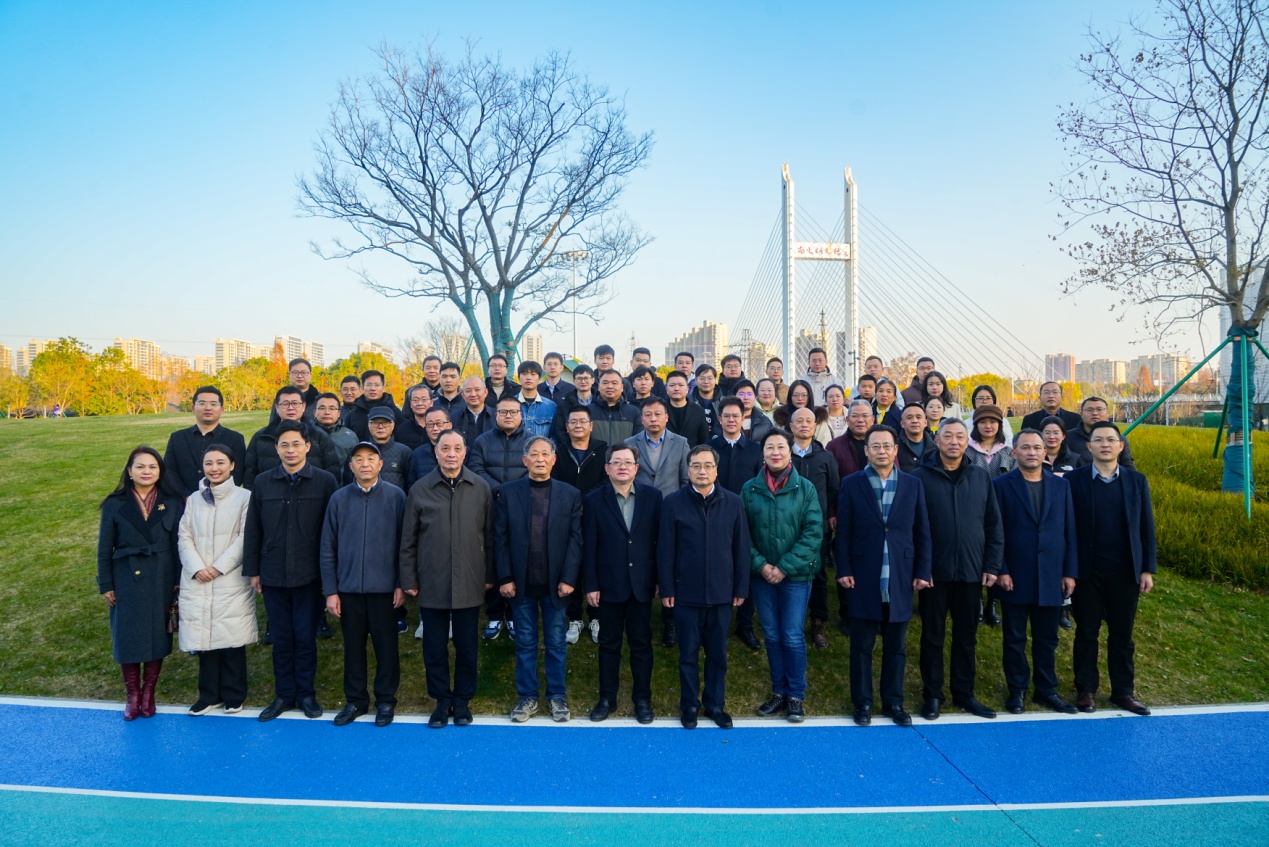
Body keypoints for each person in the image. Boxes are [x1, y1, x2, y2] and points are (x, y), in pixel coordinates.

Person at [836, 425, 932, 727]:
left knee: (896, 646)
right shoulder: (851, 484)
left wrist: (923, 570)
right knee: (861, 646)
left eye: (886, 446)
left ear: (895, 450)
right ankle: (862, 703)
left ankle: (893, 702)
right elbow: (843, 532)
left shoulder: (913, 484)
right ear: (866, 451)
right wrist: (844, 568)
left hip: (901, 576)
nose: (881, 451)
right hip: (863, 575)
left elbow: (922, 532)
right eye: (875, 446)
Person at [243, 420, 338, 722]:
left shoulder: (325, 481)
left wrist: (330, 576)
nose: (290, 450)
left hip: (310, 575)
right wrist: (253, 569)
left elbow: (332, 532)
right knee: (282, 639)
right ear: (276, 449)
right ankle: (284, 694)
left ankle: (306, 694)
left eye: (296, 444)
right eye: (284, 445)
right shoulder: (262, 482)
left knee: (305, 637)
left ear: (307, 447)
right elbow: (253, 529)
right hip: (273, 574)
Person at [399, 430, 495, 729]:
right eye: (445, 448)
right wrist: (409, 577)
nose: (451, 454)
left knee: (467, 646)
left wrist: (489, 575)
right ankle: (441, 700)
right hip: (432, 581)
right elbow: (408, 540)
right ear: (436, 452)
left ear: (465, 452)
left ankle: (463, 700)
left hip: (470, 579)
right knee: (434, 647)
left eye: (457, 448)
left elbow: (490, 537)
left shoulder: (480, 487)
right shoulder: (419, 489)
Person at [912, 420, 1003, 721]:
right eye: (948, 436)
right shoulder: (919, 477)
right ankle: (932, 695)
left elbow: (993, 524)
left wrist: (991, 564)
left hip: (971, 571)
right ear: (937, 440)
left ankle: (964, 693)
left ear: (967, 442)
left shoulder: (980, 476)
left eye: (960, 437)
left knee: (967, 636)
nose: (954, 441)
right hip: (934, 573)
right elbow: (912, 527)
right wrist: (921, 567)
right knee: (932, 636)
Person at [658, 444, 752, 730]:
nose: (702, 471)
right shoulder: (673, 502)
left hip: (722, 594)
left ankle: (714, 704)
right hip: (685, 594)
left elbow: (741, 549)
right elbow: (665, 549)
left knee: (718, 655)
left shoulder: (733, 502)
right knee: (687, 654)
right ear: (688, 470)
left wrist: (741, 588)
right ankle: (689, 705)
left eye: (708, 465)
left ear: (716, 470)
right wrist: (667, 588)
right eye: (696, 465)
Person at [1067, 421, 1157, 716]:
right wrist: (1068, 570)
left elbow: (1146, 527)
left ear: (1121, 446)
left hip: (1125, 571)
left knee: (1122, 634)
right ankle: (1086, 690)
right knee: (1086, 632)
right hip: (1087, 571)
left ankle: (1123, 692)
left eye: (1110, 440)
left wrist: (1146, 569)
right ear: (1088, 446)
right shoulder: (1074, 480)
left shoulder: (1136, 480)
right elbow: (1067, 528)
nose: (1104, 444)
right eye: (1098, 440)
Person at [496, 436, 584, 723]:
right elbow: (500, 538)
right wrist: (505, 576)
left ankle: (557, 696)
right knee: (525, 644)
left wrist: (569, 578)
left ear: (554, 460)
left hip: (556, 585)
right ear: (525, 460)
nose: (540, 459)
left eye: (545, 454)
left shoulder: (570, 494)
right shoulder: (508, 493)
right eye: (534, 454)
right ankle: (527, 697)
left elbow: (576, 540)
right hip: (520, 584)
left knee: (556, 643)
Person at [993, 430, 1079, 716]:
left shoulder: (1061, 486)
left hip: (1052, 575)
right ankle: (1017, 690)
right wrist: (1001, 569)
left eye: (1037, 447)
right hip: (1014, 575)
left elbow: (1070, 530)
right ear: (1014, 452)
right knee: (1014, 639)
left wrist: (1069, 572)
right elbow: (995, 531)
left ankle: (1046, 689)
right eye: (1025, 447)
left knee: (1047, 638)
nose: (1031, 452)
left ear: (1045, 452)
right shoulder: (1000, 486)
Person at [320, 441, 406, 727]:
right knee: (353, 649)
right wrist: (331, 591)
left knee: (386, 648)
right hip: (348, 591)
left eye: (371, 458)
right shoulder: (338, 499)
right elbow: (328, 547)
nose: (365, 463)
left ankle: (386, 700)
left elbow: (405, 545)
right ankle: (356, 701)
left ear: (381, 465)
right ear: (351, 466)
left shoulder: (396, 497)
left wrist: (400, 583)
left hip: (385, 591)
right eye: (358, 459)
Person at [97, 446, 185, 720]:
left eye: (152, 467)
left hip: (162, 575)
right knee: (128, 636)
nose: (146, 471)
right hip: (125, 575)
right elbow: (104, 548)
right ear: (129, 471)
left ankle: (149, 693)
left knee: (157, 634)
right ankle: (132, 694)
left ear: (160, 472)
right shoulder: (115, 504)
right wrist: (106, 583)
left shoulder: (172, 502)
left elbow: (178, 545)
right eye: (140, 466)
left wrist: (178, 580)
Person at [742, 430, 824, 722]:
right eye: (769, 447)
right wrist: (762, 566)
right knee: (773, 635)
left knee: (791, 635)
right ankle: (779, 691)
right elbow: (742, 534)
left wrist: (784, 567)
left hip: (796, 576)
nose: (775, 452)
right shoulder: (750, 489)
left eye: (780, 447)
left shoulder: (806, 489)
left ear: (790, 452)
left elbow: (813, 533)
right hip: (761, 576)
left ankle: (796, 695)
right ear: (762, 453)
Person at [583, 444, 663, 723]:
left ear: (636, 468)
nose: (622, 467)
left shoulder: (653, 497)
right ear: (607, 468)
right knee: (608, 645)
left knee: (641, 644)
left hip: (642, 585)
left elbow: (660, 543)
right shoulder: (593, 500)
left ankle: (642, 699)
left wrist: (659, 580)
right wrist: (591, 584)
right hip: (608, 586)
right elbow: (589, 546)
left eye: (628, 462)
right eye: (616, 462)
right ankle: (607, 698)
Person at [176, 444, 254, 716]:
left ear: (232, 465)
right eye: (209, 463)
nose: (214, 468)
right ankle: (209, 695)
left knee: (231, 636)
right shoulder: (194, 499)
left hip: (229, 577)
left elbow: (245, 537)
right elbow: (184, 535)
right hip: (198, 578)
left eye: (221, 462)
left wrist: (218, 567)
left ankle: (234, 694)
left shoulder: (245, 497)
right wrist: (197, 567)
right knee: (205, 638)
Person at [470, 396, 530, 640]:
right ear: (495, 415)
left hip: (522, 506)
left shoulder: (530, 442)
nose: (508, 416)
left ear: (521, 415)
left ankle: (514, 614)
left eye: (513, 412)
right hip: (490, 505)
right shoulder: (482, 441)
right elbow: (476, 469)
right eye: (503, 412)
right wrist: (500, 490)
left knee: (518, 555)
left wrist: (513, 492)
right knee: (493, 556)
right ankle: (495, 613)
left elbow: (536, 468)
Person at [708, 397, 764, 651]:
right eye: (726, 416)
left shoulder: (755, 449)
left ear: (744, 419)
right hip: (713, 516)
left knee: (745, 568)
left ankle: (745, 624)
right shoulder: (709, 448)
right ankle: (712, 621)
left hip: (746, 517)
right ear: (719, 420)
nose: (731, 420)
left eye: (736, 416)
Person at [552, 404, 608, 645]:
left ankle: (596, 616)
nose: (578, 426)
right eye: (573, 422)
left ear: (591, 425)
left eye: (582, 421)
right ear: (566, 426)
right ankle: (574, 618)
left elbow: (606, 480)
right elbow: (553, 481)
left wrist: (585, 501)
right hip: (566, 517)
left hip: (595, 516)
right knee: (570, 565)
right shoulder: (558, 451)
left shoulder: (603, 450)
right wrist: (573, 502)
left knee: (595, 564)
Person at [788, 407, 840, 650]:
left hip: (816, 527)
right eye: (799, 421)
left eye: (809, 421)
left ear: (815, 425)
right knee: (788, 571)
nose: (804, 424)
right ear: (791, 426)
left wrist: (826, 513)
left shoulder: (825, 456)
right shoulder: (782, 453)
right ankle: (790, 619)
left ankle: (817, 621)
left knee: (817, 573)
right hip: (786, 525)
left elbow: (832, 488)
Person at [243, 386, 342, 489]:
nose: (291, 408)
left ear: (303, 406)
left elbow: (332, 471)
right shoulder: (262, 437)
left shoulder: (319, 436)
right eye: (285, 404)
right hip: (271, 495)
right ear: (277, 407)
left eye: (295, 403)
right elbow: (250, 473)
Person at [164, 386, 247, 496]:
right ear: (193, 408)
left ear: (222, 409)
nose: (208, 408)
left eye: (213, 404)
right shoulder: (177, 438)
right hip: (182, 501)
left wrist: (216, 497)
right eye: (202, 403)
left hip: (222, 501)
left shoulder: (235, 438)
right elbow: (169, 472)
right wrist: (186, 497)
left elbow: (238, 472)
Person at [625, 397, 691, 498]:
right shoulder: (630, 443)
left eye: (658, 414)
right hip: (640, 501)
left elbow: (686, 479)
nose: (653, 419)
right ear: (641, 420)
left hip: (671, 502)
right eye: (648, 415)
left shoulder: (681, 443)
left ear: (666, 417)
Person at [1066, 397, 1136, 468]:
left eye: (1099, 409)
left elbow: (1128, 467)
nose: (1095, 413)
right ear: (1081, 414)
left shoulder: (1119, 439)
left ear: (1107, 413)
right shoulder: (1067, 437)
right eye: (1090, 410)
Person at [346, 370, 403, 441]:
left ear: (383, 388)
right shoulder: (353, 413)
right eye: (369, 385)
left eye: (377, 385)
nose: (373, 389)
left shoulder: (394, 412)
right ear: (362, 388)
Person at [406, 406, 454, 491]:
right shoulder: (417, 454)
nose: (435, 428)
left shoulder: (461, 452)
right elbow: (412, 487)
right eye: (430, 424)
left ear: (449, 425)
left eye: (439, 423)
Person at [590, 369, 642, 446]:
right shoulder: (588, 411)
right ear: (598, 387)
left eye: (614, 383)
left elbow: (639, 441)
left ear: (622, 387)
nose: (610, 386)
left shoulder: (633, 412)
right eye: (605, 383)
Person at [826, 399, 874, 481]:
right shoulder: (834, 446)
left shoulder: (883, 445)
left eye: (865, 416)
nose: (860, 420)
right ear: (847, 420)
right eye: (855, 416)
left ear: (872, 419)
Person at [366, 407, 412, 491]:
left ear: (393, 425)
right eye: (375, 423)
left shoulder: (404, 452)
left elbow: (410, 483)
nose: (380, 427)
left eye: (385, 423)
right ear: (369, 425)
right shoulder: (359, 450)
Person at [774, 379, 831, 445]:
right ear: (790, 397)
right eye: (795, 395)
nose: (800, 398)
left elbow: (824, 445)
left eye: (804, 395)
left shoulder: (819, 419)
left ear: (809, 396)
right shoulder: (781, 419)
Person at [966, 404, 1016, 478]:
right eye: (983, 422)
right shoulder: (966, 451)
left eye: (992, 422)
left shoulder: (1009, 452)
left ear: (999, 425)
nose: (988, 426)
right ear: (976, 425)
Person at [551, 364, 596, 446]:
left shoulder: (600, 402)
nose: (583, 381)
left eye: (586, 378)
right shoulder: (564, 404)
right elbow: (560, 430)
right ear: (574, 381)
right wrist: (571, 446)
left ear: (593, 380)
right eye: (579, 378)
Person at [313, 392, 358, 473]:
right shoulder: (305, 433)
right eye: (322, 408)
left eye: (332, 408)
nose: (327, 412)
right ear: (315, 412)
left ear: (339, 413)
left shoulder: (350, 436)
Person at [665, 370, 710, 447]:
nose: (676, 388)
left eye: (681, 385)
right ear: (666, 389)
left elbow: (704, 440)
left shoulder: (698, 411)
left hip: (691, 453)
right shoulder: (660, 410)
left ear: (687, 389)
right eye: (672, 385)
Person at [516, 360, 558, 438]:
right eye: (524, 374)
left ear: (540, 379)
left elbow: (554, 436)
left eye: (533, 374)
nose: (528, 378)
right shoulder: (510, 404)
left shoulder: (550, 406)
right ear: (518, 378)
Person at [450, 376, 494, 446]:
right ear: (463, 394)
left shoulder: (497, 417)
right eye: (468, 391)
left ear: (485, 392)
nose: (473, 394)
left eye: (477, 390)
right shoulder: (453, 418)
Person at [896, 403, 935, 473]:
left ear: (925, 423)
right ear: (902, 424)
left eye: (918, 417)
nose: (914, 421)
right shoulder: (895, 447)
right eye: (909, 417)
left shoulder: (935, 448)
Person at [395, 384, 433, 451]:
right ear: (410, 404)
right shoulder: (400, 429)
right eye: (415, 400)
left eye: (424, 399)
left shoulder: (438, 427)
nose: (420, 403)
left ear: (431, 403)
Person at [689, 364, 722, 438]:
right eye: (702, 378)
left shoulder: (724, 402)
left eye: (710, 378)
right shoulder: (688, 401)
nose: (706, 382)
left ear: (715, 380)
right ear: (696, 380)